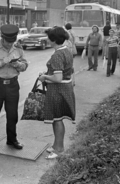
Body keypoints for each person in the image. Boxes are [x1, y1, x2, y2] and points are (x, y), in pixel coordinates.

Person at [0, 24, 28, 152]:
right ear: (2, 38)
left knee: (12, 114)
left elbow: (25, 66)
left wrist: (17, 64)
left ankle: (12, 139)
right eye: (8, 42)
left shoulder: (18, 48)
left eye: (12, 41)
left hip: (13, 84)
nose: (9, 45)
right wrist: (3, 62)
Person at [38, 26, 76, 159]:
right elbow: (69, 71)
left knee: (57, 119)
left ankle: (59, 149)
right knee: (57, 119)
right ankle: (56, 145)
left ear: (53, 40)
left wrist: (44, 77)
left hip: (57, 90)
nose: (47, 40)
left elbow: (57, 78)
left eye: (49, 37)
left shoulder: (57, 55)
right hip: (65, 88)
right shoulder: (66, 50)